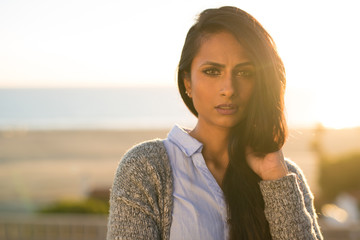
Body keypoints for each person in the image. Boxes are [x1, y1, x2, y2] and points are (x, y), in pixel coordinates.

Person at [107, 6, 323, 240]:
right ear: (187, 81)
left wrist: (275, 178)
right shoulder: (146, 167)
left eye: (244, 73)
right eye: (212, 71)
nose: (228, 89)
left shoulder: (286, 176)